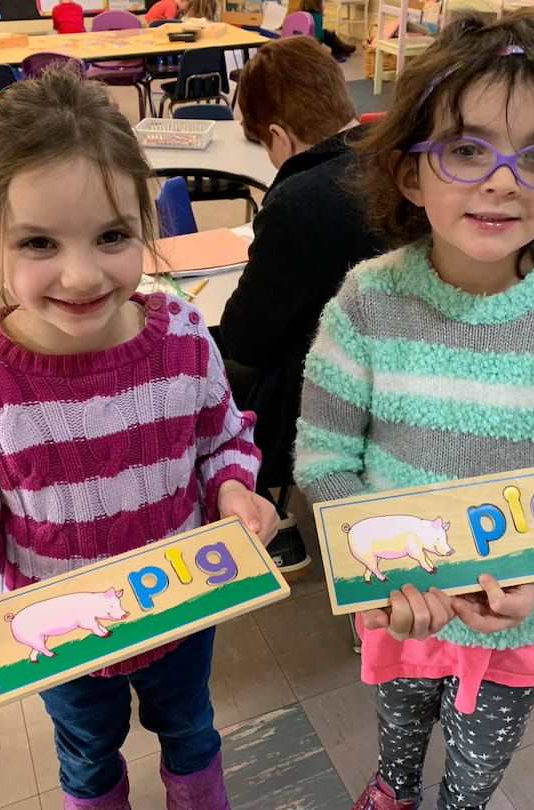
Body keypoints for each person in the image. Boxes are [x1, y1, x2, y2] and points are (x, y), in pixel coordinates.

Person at [293, 13, 534, 810]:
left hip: (522, 629)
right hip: (400, 611)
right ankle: (393, 789)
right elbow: (324, 457)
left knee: (474, 775)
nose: (503, 180)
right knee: (398, 733)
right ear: (410, 173)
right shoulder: (366, 301)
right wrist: (378, 569)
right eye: (467, 150)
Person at [0, 71, 278, 810]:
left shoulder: (183, 335)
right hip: (61, 639)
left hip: (181, 615)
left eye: (111, 236)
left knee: (192, 732)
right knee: (86, 756)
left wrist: (234, 488)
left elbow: (221, 439)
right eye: (39, 243)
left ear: (145, 225)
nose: (81, 275)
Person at [220, 35, 387, 576]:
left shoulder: (298, 200)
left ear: (278, 136)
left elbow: (249, 336)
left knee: (224, 360)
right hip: (404, 372)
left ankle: (268, 509)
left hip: (328, 386)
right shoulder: (395, 161)